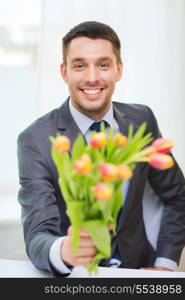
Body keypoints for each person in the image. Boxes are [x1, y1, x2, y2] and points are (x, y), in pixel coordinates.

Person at [17, 21, 185, 277]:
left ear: (118, 70)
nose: (92, 77)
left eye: (103, 65)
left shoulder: (142, 120)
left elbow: (177, 196)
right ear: (64, 72)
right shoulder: (36, 139)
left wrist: (165, 264)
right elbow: (37, 235)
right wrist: (63, 250)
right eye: (80, 65)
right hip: (77, 276)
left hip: (139, 271)